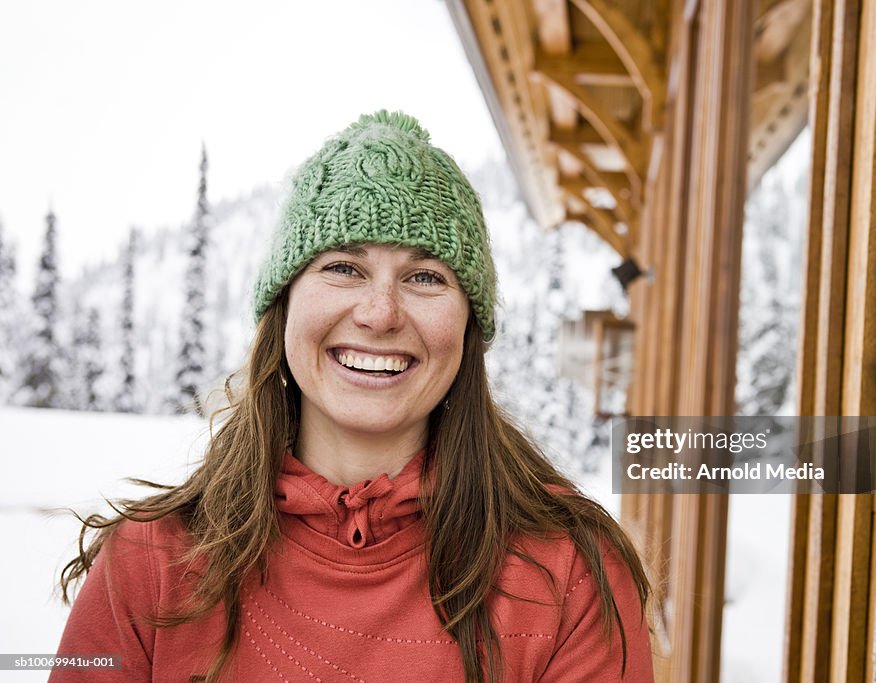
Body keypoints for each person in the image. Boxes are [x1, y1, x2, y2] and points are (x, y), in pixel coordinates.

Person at [54, 110, 654, 682]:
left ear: (469, 328)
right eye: (343, 266)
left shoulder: (567, 572)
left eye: (425, 277)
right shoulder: (152, 561)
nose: (379, 313)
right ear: (284, 304)